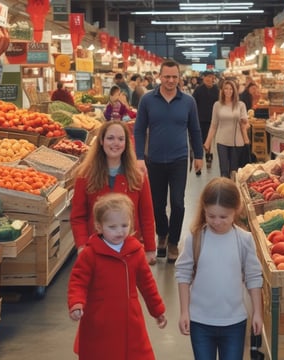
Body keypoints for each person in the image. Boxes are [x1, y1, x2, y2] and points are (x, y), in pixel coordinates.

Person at [68, 193, 167, 360]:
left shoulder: (135, 252)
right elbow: (78, 281)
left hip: (130, 321)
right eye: (112, 227)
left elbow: (147, 283)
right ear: (99, 227)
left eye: (124, 225)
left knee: (134, 353)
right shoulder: (90, 254)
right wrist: (76, 303)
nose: (120, 231)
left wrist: (157, 310)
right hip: (99, 321)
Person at [175, 177, 263, 360]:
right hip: (200, 322)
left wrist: (257, 313)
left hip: (234, 323)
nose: (217, 222)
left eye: (224, 217)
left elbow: (254, 277)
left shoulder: (244, 239)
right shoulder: (196, 238)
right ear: (204, 210)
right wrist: (184, 311)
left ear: (236, 210)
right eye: (211, 216)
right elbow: (183, 275)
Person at [134, 59, 204, 263]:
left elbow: (195, 130)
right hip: (153, 159)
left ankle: (173, 242)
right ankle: (162, 235)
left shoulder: (188, 101)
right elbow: (138, 130)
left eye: (174, 77)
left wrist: (198, 155)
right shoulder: (147, 100)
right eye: (167, 76)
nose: (170, 80)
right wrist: (139, 157)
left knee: (178, 203)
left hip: (179, 159)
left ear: (179, 78)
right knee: (157, 204)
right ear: (160, 76)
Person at [70, 121, 157, 265]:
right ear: (101, 141)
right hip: (95, 251)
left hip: (129, 250)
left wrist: (150, 248)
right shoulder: (85, 176)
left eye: (120, 139)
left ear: (126, 143)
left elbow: (147, 215)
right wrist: (82, 245)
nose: (115, 143)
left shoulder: (138, 177)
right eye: (110, 138)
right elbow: (78, 216)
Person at [204, 80, 249, 178]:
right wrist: (207, 142)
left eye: (231, 89)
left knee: (233, 171)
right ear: (222, 90)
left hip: (237, 141)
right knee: (224, 170)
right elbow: (213, 125)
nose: (228, 91)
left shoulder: (241, 105)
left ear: (234, 91)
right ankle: (225, 191)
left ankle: (233, 191)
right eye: (226, 89)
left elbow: (246, 122)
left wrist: (244, 121)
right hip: (222, 141)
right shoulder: (217, 105)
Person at [192, 71, 219, 172]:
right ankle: (199, 159)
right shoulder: (198, 90)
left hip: (212, 119)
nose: (209, 79)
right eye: (207, 77)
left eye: (211, 77)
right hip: (200, 119)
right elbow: (193, 104)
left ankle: (208, 154)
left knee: (209, 138)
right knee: (200, 139)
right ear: (204, 78)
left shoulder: (216, 90)